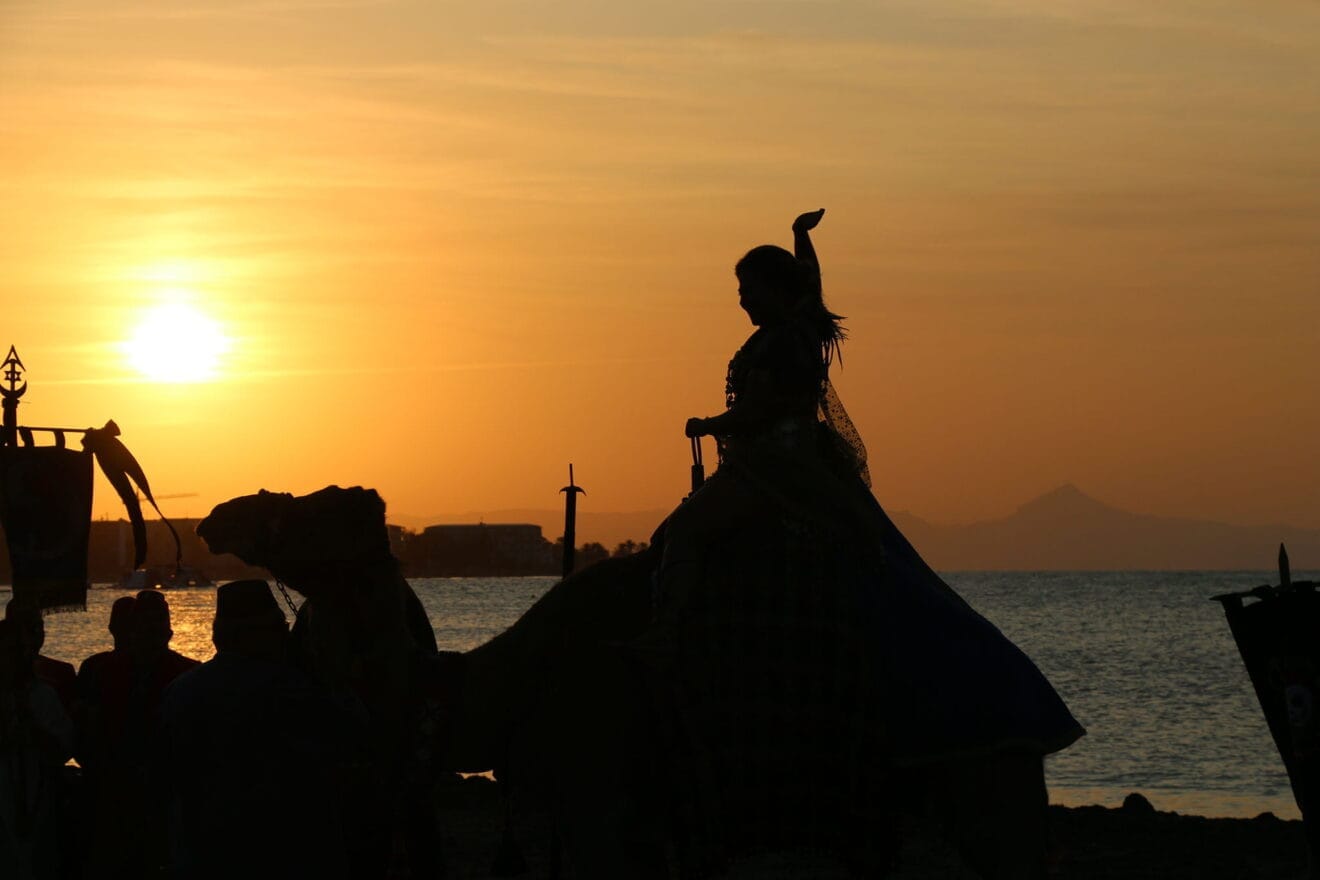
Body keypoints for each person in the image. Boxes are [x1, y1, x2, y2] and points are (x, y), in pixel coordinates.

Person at [644, 209, 1085, 873]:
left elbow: (764, 410)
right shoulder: (800, 328)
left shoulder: (783, 342)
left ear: (772, 287)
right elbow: (815, 289)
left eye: (748, 288)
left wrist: (710, 422)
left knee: (680, 531)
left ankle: (665, 634)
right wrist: (802, 240)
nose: (741, 300)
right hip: (795, 462)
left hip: (772, 463)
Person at [159, 580, 365, 880]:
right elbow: (351, 740)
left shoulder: (179, 691)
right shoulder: (295, 689)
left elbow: (168, 768)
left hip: (203, 849)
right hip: (285, 852)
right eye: (280, 629)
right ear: (261, 635)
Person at [81, 590, 199, 879]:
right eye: (145, 626)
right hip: (119, 794)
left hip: (162, 796)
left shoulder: (186, 674)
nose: (150, 634)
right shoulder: (105, 672)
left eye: (155, 626)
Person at [0, 617, 74, 880]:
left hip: (36, 805)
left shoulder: (42, 697)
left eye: (18, 651)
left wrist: (31, 728)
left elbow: (63, 750)